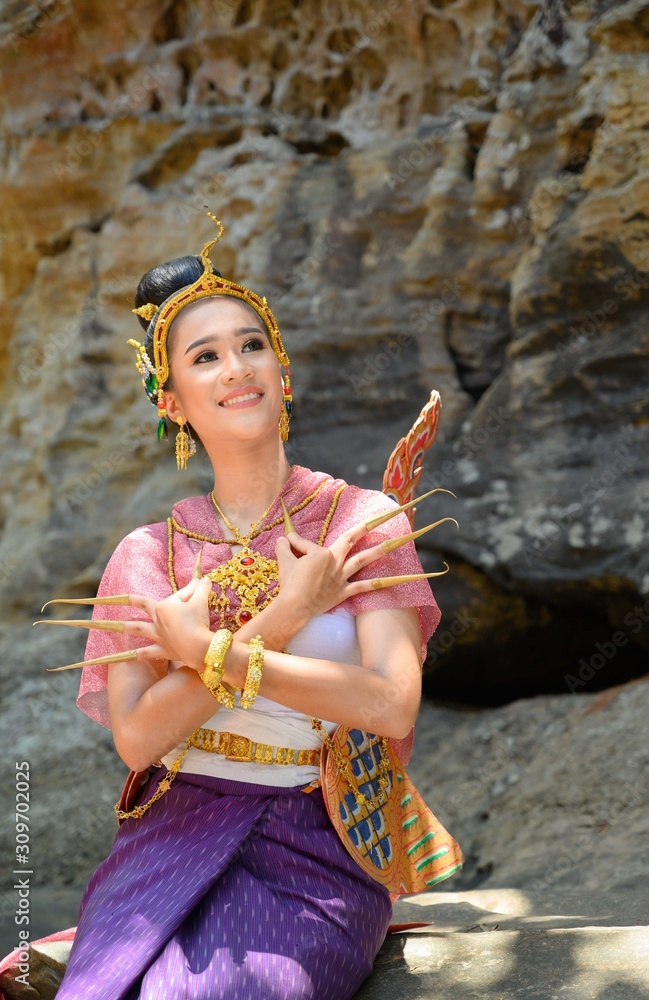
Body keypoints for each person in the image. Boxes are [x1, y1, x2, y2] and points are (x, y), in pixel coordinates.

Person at [48, 216, 454, 1000]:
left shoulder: (360, 522)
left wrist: (218, 654)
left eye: (251, 345)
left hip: (320, 839)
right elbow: (138, 740)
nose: (236, 368)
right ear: (171, 402)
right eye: (205, 357)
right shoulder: (147, 555)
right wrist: (285, 614)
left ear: (284, 371)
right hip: (172, 832)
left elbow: (391, 704)